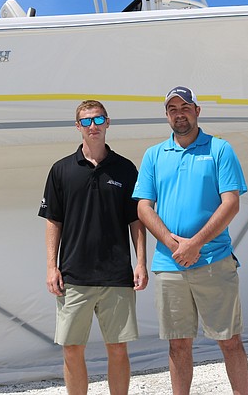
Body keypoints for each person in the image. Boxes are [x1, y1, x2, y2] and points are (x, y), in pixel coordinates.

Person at [132, 86, 248, 395]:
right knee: (178, 343)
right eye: (172, 109)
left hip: (214, 259)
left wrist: (195, 243)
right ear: (167, 115)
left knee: (229, 340)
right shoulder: (154, 155)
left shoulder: (219, 149)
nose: (179, 113)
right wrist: (175, 246)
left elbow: (231, 203)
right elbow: (143, 207)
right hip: (169, 265)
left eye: (185, 107)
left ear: (197, 111)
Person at [40, 99, 148, 395]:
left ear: (108, 123)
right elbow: (53, 220)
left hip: (116, 276)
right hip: (74, 276)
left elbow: (136, 221)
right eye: (86, 121)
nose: (93, 127)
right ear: (78, 127)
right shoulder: (61, 170)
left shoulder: (125, 169)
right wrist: (52, 267)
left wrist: (141, 263)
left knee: (118, 350)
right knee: (72, 350)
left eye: (98, 120)